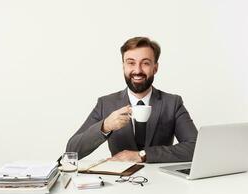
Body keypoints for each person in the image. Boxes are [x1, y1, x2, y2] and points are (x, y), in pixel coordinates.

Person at [66, 37, 198, 163]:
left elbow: (195, 147)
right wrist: (105, 126)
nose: (137, 70)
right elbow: (72, 151)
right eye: (131, 63)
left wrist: (142, 155)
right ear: (123, 66)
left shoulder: (172, 103)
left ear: (155, 68)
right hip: (121, 182)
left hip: (162, 182)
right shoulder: (106, 104)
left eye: (145, 63)